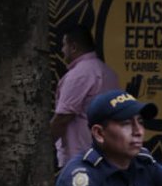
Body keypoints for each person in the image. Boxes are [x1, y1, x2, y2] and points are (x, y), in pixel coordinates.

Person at [50, 25, 119, 167]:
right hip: (105, 153)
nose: (62, 50)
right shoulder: (108, 72)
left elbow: (63, 118)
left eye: (64, 45)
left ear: (73, 47)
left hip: (81, 157)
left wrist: (41, 145)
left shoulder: (79, 75)